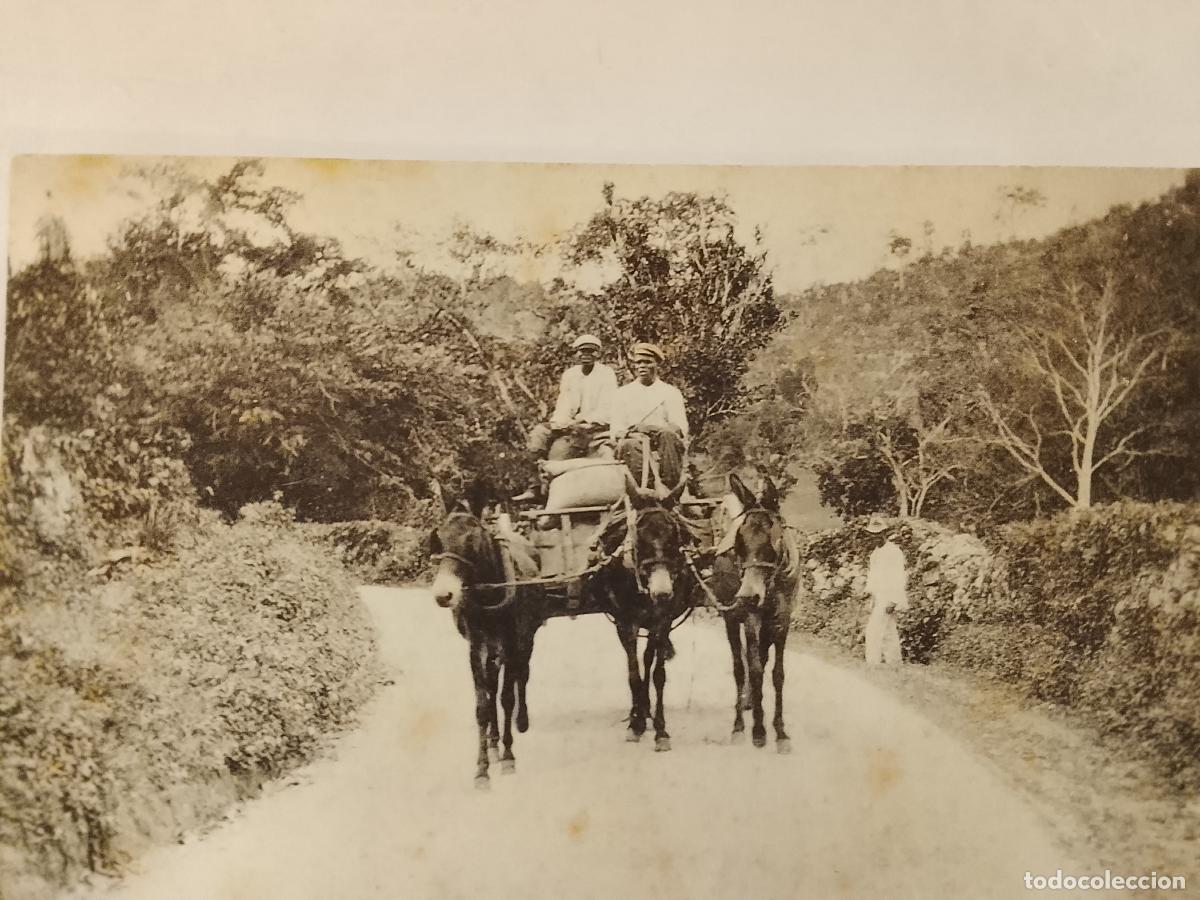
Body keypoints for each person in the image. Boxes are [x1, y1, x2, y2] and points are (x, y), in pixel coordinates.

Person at [517, 334, 618, 502]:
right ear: (576, 353)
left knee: (559, 452)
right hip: (570, 425)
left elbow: (607, 408)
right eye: (582, 351)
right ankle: (534, 486)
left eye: (591, 351)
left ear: (598, 354)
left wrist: (582, 421)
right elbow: (564, 403)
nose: (586, 355)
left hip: (593, 426)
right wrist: (560, 423)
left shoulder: (606, 374)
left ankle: (550, 494)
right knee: (539, 433)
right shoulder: (570, 375)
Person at [609, 342, 689, 489]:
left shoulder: (670, 392)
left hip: (663, 441)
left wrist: (651, 429)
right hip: (634, 441)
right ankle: (647, 489)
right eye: (638, 362)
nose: (642, 366)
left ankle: (668, 487)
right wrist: (633, 433)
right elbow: (616, 430)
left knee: (668, 436)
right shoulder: (623, 394)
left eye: (647, 362)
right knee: (628, 444)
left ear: (657, 364)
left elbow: (679, 427)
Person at [863, 517, 909, 665]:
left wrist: (894, 600)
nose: (875, 537)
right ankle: (894, 663)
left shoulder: (894, 552)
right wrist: (870, 594)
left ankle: (873, 663)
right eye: (872, 534)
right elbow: (873, 576)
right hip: (878, 596)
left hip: (889, 596)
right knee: (889, 631)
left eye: (878, 534)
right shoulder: (875, 554)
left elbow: (899, 577)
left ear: (884, 533)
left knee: (873, 630)